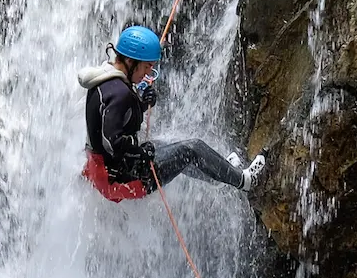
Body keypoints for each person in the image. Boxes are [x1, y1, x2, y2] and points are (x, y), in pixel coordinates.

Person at [79, 25, 266, 203]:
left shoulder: (103, 81)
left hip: (103, 171)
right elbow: (112, 143)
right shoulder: (120, 94)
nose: (147, 74)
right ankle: (245, 181)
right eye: (146, 67)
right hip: (123, 180)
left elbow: (115, 121)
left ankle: (221, 174)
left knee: (170, 147)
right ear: (130, 61)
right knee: (192, 148)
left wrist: (142, 104)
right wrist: (141, 153)